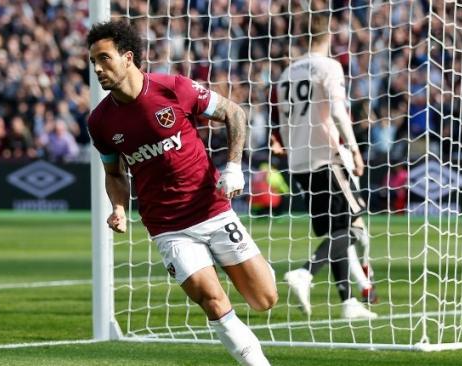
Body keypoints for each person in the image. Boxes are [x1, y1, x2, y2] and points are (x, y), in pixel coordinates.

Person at [87, 20, 277, 365]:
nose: (98, 69)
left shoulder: (172, 88)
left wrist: (233, 167)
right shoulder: (99, 122)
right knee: (213, 300)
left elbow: (234, 113)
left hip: (212, 209)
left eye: (104, 58)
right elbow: (114, 173)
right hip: (167, 227)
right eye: (93, 62)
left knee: (264, 298)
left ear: (128, 57)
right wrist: (118, 206)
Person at [271, 13, 377, 320]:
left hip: (300, 160)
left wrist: (292, 158)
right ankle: (305, 273)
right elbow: (339, 112)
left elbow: (283, 123)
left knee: (335, 231)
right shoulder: (329, 66)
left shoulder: (286, 74)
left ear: (302, 39)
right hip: (327, 157)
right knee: (352, 229)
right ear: (327, 37)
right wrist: (355, 151)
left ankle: (348, 302)